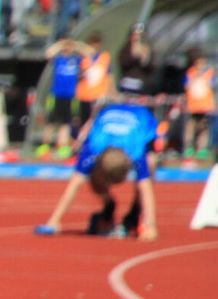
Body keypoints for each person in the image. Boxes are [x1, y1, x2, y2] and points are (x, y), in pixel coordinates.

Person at [35, 99, 160, 240]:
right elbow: (75, 182)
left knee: (151, 163)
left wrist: (152, 227)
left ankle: (135, 211)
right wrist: (54, 221)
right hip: (108, 117)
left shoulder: (136, 151)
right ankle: (109, 204)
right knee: (91, 174)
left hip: (142, 118)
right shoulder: (93, 147)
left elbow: (146, 187)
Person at [41, 38, 85, 157]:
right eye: (67, 46)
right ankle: (45, 145)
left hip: (70, 95)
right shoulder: (59, 59)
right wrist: (60, 44)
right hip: (56, 94)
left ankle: (62, 145)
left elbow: (89, 52)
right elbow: (48, 53)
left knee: (66, 122)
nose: (68, 48)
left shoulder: (76, 60)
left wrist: (76, 45)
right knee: (51, 121)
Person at [183, 49, 213, 162]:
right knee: (190, 126)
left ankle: (202, 149)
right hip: (192, 106)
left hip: (204, 106)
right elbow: (186, 86)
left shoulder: (209, 72)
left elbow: (210, 86)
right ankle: (188, 148)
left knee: (203, 127)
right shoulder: (190, 72)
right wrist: (194, 77)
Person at [76, 30, 111, 124]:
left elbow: (109, 75)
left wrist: (110, 91)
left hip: (99, 95)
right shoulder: (82, 57)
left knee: (97, 120)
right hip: (84, 95)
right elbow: (78, 74)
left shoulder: (104, 56)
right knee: (84, 120)